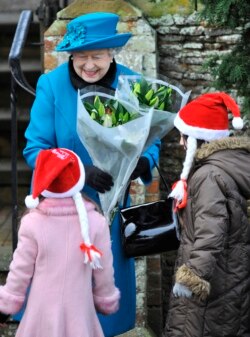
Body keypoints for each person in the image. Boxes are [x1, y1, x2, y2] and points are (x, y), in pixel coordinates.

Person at [22, 12, 160, 336]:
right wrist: (77, 171)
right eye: (81, 56)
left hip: (109, 218)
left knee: (106, 312)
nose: (89, 65)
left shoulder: (133, 84)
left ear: (112, 53)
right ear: (71, 55)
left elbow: (153, 140)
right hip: (62, 214)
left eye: (97, 56)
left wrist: (145, 161)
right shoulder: (51, 86)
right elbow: (35, 149)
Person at [0, 148, 120, 337]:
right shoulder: (96, 222)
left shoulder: (32, 223)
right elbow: (104, 272)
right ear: (78, 179)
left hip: (40, 319)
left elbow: (20, 271)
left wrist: (5, 307)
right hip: (81, 316)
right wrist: (106, 299)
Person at [164, 92, 250, 337]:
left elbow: (211, 231)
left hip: (213, 284)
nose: (180, 143)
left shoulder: (208, 176)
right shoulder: (225, 167)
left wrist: (193, 276)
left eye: (183, 136)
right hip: (230, 274)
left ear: (196, 139)